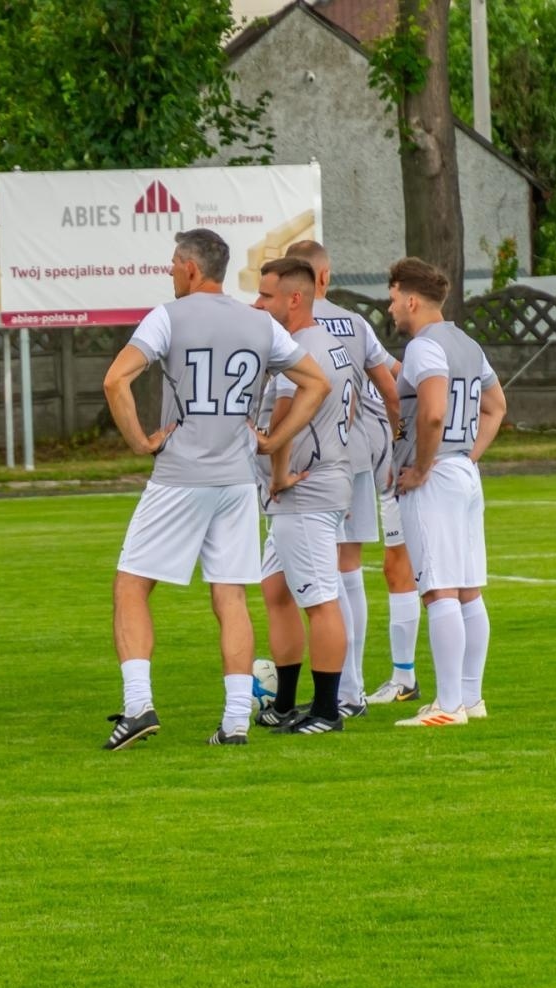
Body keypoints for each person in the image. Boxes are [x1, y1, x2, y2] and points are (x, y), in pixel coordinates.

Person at [101, 228, 330, 749]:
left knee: (132, 586)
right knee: (230, 595)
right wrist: (272, 442)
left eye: (172, 264)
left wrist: (140, 441)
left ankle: (138, 706)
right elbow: (317, 383)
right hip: (235, 480)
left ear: (188, 267)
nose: (170, 272)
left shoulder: (168, 316)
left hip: (181, 475)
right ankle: (235, 721)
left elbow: (116, 380)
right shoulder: (257, 322)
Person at [284, 238, 421, 709]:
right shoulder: (356, 322)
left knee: (316, 579)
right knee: (347, 571)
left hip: (307, 467)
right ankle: (352, 686)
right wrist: (394, 446)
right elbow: (389, 386)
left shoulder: (290, 324)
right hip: (359, 457)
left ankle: (337, 689)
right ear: (325, 275)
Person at [387, 257, 506, 726]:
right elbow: (496, 407)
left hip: (435, 479)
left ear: (412, 300)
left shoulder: (424, 347)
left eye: (394, 298)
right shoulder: (468, 343)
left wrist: (421, 467)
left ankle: (449, 705)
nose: (391, 307)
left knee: (438, 591)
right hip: (462, 474)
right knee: (468, 590)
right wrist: (468, 456)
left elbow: (432, 412)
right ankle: (470, 698)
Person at [251, 258, 360, 735]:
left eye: (267, 296)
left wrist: (278, 471)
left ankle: (327, 710)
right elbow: (349, 410)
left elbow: (283, 421)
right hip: (320, 484)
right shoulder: (333, 346)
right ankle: (286, 702)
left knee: (320, 600)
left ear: (294, 298)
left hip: (303, 491)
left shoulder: (294, 353)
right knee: (277, 591)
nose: (258, 304)